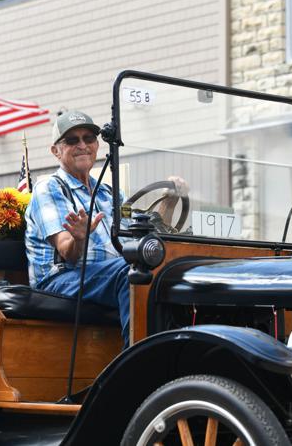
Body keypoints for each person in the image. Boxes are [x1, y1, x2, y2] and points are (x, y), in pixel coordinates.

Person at [25, 111, 184, 347]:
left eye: (89, 138)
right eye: (72, 140)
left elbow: (146, 234)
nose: (82, 145)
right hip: (61, 278)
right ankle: (140, 361)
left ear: (97, 145)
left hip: (103, 274)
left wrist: (169, 202)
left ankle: (177, 349)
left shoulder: (109, 193)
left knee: (166, 266)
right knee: (131, 272)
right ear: (56, 151)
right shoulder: (49, 188)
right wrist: (79, 238)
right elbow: (68, 253)